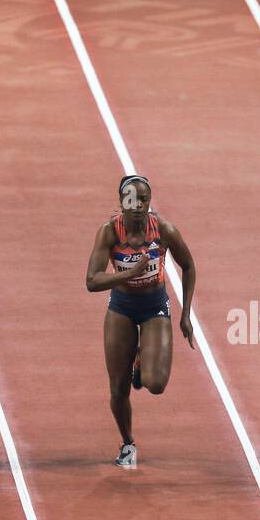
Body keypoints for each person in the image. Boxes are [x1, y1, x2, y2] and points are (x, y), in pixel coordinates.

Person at [86, 175, 197, 469]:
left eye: (143, 199)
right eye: (130, 199)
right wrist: (128, 274)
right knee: (118, 389)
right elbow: (92, 281)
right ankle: (127, 443)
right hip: (121, 307)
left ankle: (140, 360)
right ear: (121, 201)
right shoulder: (109, 232)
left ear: (149, 202)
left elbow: (188, 265)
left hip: (154, 307)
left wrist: (186, 314)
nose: (136, 205)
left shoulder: (163, 231)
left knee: (156, 384)